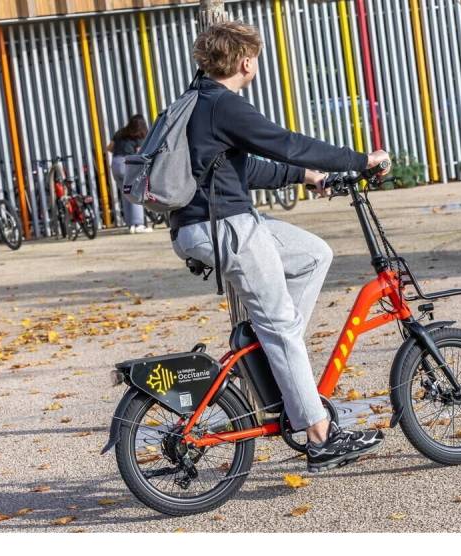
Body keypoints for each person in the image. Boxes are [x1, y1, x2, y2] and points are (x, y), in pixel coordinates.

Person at [170, 21, 392, 473]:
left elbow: (243, 171)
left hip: (217, 223)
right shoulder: (223, 104)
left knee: (313, 254)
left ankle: (274, 349)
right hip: (226, 228)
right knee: (282, 327)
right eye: (257, 57)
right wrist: (360, 160)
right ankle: (318, 433)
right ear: (246, 61)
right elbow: (288, 144)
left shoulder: (197, 101)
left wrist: (306, 177)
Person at [108, 115, 153, 234]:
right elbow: (141, 152)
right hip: (128, 164)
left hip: (115, 164)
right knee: (136, 193)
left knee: (126, 194)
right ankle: (138, 224)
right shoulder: (139, 136)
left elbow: (109, 147)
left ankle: (131, 225)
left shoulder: (120, 133)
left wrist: (120, 150)